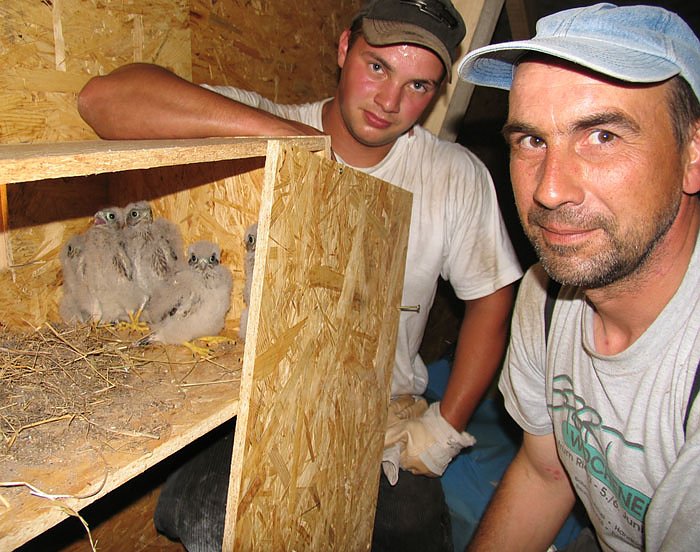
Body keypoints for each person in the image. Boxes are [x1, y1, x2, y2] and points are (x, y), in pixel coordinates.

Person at [78, 0, 523, 549]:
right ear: (344, 48)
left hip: (379, 417)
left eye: (417, 86)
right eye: (378, 67)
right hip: (261, 405)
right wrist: (288, 138)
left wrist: (444, 427)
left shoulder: (451, 175)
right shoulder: (261, 120)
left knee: (410, 539)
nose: (389, 102)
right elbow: (102, 100)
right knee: (201, 516)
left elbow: (492, 300)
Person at [457, 3, 700, 551]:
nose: (549, 190)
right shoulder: (546, 296)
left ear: (693, 152)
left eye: (603, 136)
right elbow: (546, 473)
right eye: (532, 141)